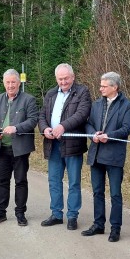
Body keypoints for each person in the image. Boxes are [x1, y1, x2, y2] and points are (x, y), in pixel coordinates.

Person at [81, 72, 130, 242]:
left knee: (115, 194)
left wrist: (108, 135)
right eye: (101, 85)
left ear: (115, 87)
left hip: (114, 155)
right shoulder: (96, 104)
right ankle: (98, 224)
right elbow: (88, 123)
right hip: (96, 153)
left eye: (104, 86)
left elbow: (126, 129)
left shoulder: (127, 105)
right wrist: (93, 134)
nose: (100, 88)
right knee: (97, 191)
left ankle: (115, 228)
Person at [38, 63, 92, 230]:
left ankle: (72, 216)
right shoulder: (51, 93)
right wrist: (44, 128)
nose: (63, 82)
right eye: (60, 79)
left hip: (72, 145)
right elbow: (42, 115)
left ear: (73, 77)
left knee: (74, 182)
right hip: (53, 143)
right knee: (54, 180)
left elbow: (82, 114)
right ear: (56, 79)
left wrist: (63, 126)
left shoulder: (82, 92)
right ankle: (56, 214)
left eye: (66, 78)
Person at [0, 69, 39, 226]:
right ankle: (0, 213)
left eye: (13, 82)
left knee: (20, 181)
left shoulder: (28, 100)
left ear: (19, 83)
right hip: (1, 148)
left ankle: (20, 213)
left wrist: (16, 128)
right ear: (4, 83)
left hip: (20, 149)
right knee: (2, 181)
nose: (10, 85)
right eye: (7, 82)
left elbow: (33, 120)